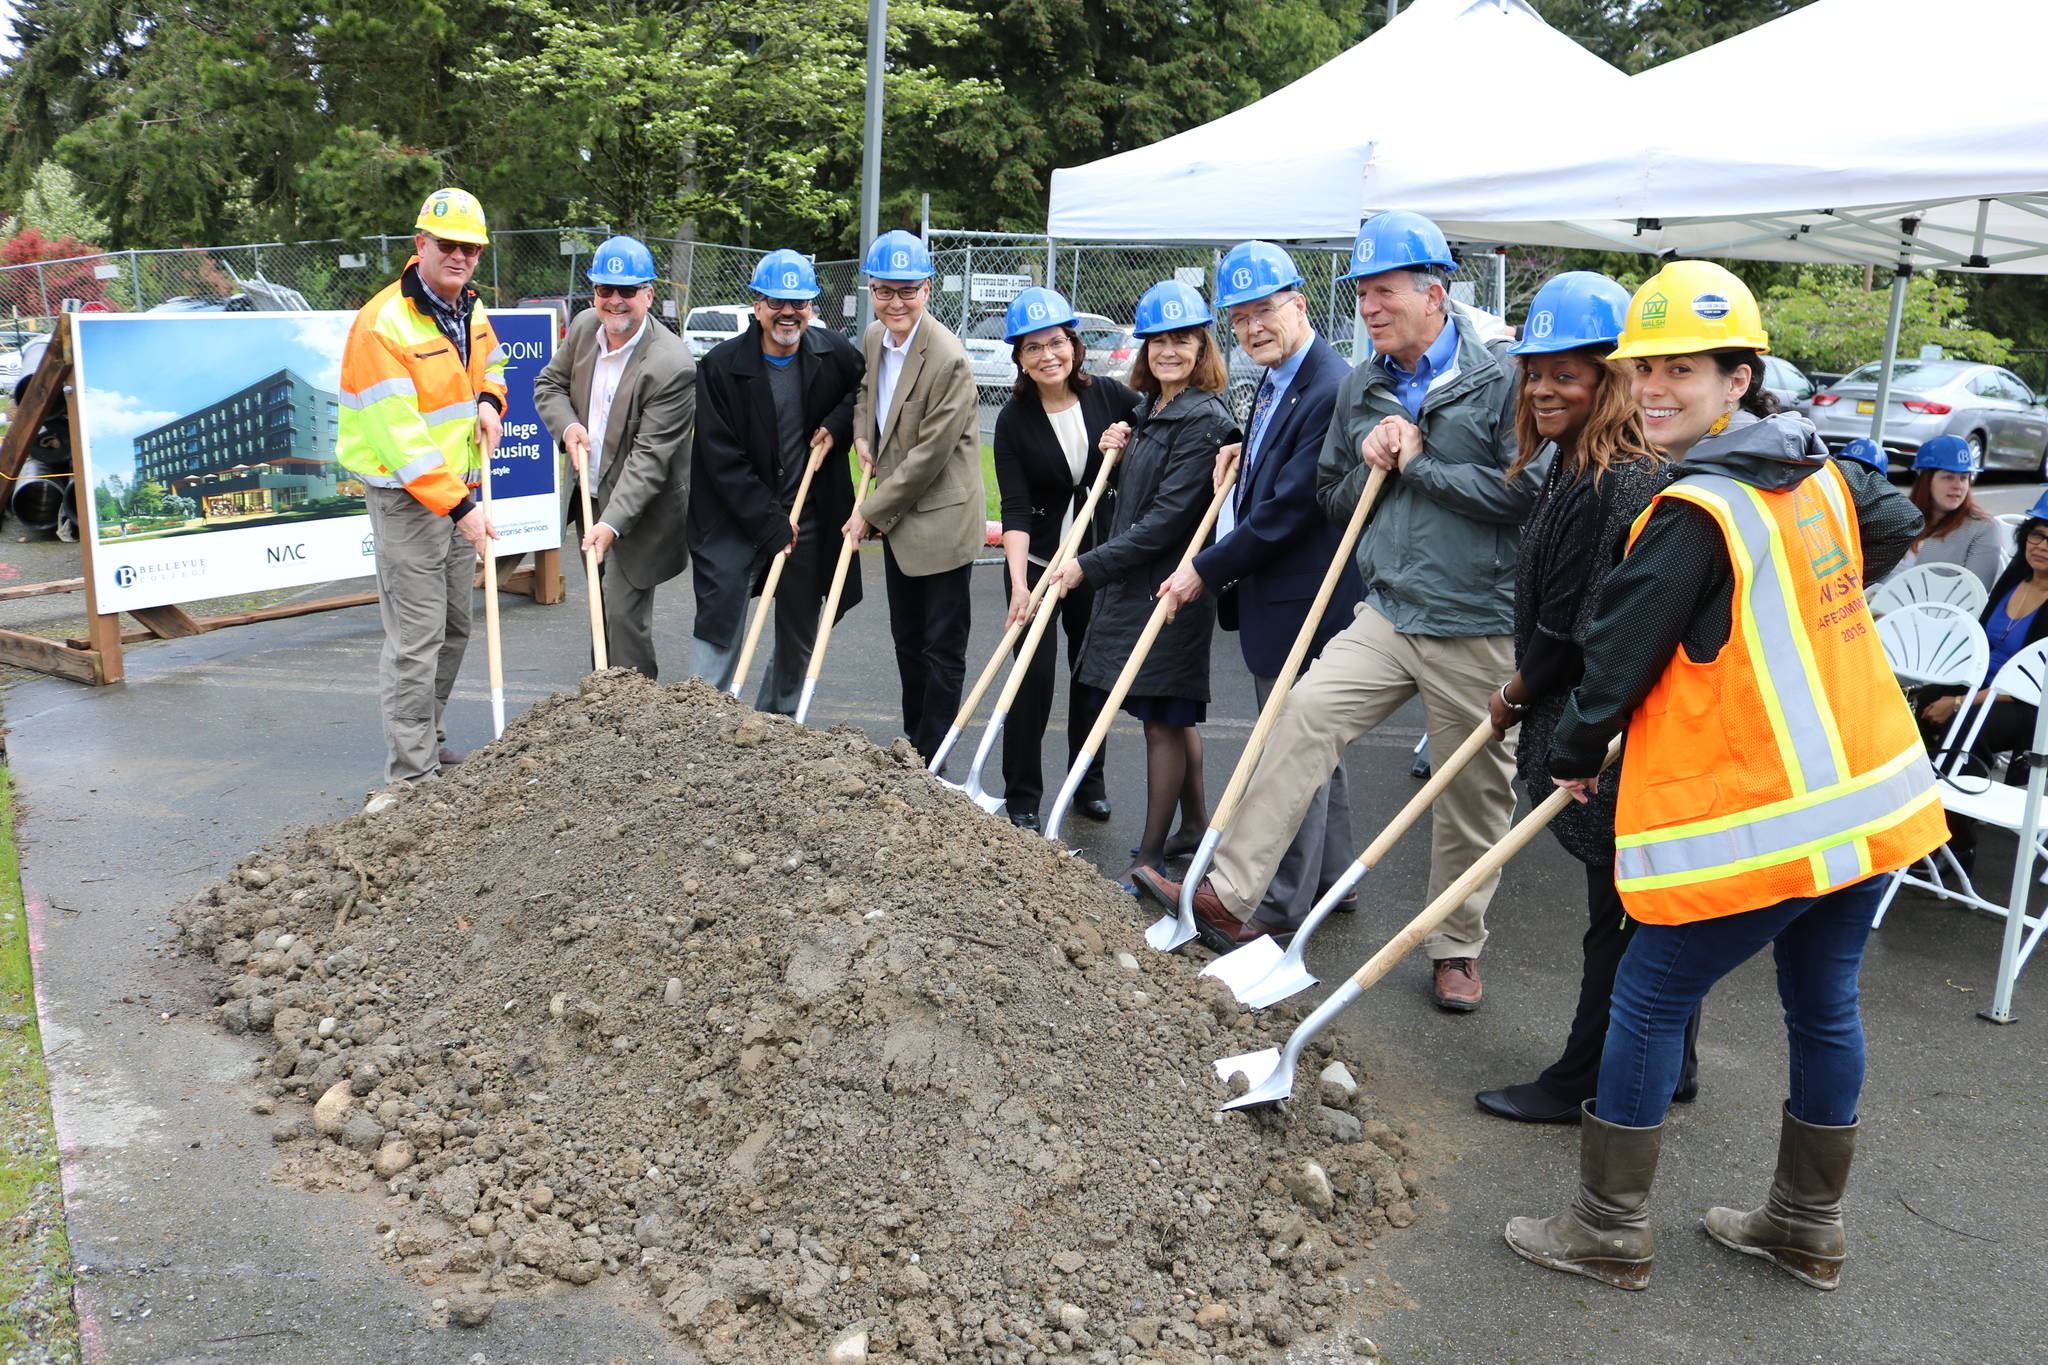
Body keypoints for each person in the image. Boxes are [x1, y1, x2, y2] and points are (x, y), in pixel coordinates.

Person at [1505, 260, 1937, 1294]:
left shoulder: (1695, 512)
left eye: (1683, 371)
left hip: (1767, 816)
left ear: (1738, 379)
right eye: (1643, 369)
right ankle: (1803, 1226)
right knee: (1823, 1002)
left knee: (1648, 998)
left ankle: (1606, 1230)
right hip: (1870, 802)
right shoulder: (1821, 475)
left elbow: (1608, 668)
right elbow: (1887, 527)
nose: (1654, 390)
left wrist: (1567, 762)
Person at [1135, 211, 1541, 1010]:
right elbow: (1331, 497)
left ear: (1434, 290)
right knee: (1303, 715)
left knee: (1472, 794)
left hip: (1479, 622)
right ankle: (1231, 894)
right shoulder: (1363, 384)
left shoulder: (1504, 383)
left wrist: (1417, 461)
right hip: (1390, 611)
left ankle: (1455, 945)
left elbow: (1519, 496)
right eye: (1362, 294)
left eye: (1384, 292)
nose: (1369, 308)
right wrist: (1369, 463)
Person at [1472, 271, 1697, 1124]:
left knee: (1619, 911)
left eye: (1568, 373)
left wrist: (1514, 695)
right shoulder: (1577, 469)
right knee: (1642, 903)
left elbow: (1580, 628)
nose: (1543, 388)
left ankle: (1580, 1079)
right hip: (1597, 716)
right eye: (1535, 372)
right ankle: (1672, 1059)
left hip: (1613, 732)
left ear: (1612, 379)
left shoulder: (1621, 480)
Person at [1152, 240, 1363, 930]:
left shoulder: (1329, 384)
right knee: (1313, 745)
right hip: (1280, 594)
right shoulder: (1278, 377)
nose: (1251, 329)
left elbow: (1291, 509)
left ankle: (1276, 904)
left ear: (1299, 304)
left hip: (1305, 597)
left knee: (1289, 752)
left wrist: (1201, 569)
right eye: (1238, 319)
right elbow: (1276, 470)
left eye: (1264, 311)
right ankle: (1332, 880)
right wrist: (1245, 461)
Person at [1052, 280, 1237, 886]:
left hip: (1172, 586)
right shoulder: (1149, 410)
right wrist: (1116, 456)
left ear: (1202, 346)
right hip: (1141, 585)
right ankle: (1194, 827)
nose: (1170, 352)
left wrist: (1089, 565)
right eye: (1158, 341)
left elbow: (1165, 523)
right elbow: (1131, 498)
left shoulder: (1203, 419)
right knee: (1172, 714)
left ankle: (1152, 854)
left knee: (1163, 714)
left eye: (1183, 340)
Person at [338, 187, 506, 789]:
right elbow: (400, 438)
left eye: (470, 248)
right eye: (448, 245)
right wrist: (462, 507)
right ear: (421, 245)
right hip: (408, 498)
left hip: (454, 490)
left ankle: (428, 742)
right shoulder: (382, 324)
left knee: (455, 627)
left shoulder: (471, 308)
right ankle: (411, 777)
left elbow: (491, 364)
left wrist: (490, 398)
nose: (459, 257)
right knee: (417, 638)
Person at [688, 249, 866, 712]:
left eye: (799, 303)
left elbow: (860, 393)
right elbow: (720, 458)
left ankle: (777, 729)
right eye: (776, 302)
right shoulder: (721, 367)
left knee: (798, 633)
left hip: (807, 517)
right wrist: (768, 521)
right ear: (757, 305)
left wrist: (839, 421)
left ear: (811, 306)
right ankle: (702, 729)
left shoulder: (835, 355)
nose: (788, 313)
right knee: (719, 629)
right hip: (735, 519)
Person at [991, 286, 1139, 829]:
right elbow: (1013, 508)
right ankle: (1022, 795)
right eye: (1033, 348)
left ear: (1074, 345)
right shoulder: (1014, 420)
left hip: (1096, 560)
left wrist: (1129, 440)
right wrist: (1018, 587)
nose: (1047, 355)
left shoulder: (1111, 397)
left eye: (1056, 342)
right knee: (1030, 676)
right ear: (1020, 360)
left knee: (1090, 673)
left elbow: (1155, 442)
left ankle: (1087, 782)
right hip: (1040, 561)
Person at [532, 234, 695, 678]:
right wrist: (568, 426)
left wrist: (610, 524)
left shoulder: (671, 365)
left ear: (648, 294)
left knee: (623, 614)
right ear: (594, 293)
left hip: (638, 511)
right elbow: (549, 385)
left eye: (628, 291)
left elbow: (650, 459)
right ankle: (604, 704)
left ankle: (638, 713)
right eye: (606, 290)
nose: (616, 301)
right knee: (602, 609)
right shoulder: (585, 328)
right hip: (590, 496)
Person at [848, 229, 984, 760]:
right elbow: (867, 392)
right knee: (907, 645)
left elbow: (928, 456)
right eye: (885, 291)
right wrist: (863, 433)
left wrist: (869, 512)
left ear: (927, 289)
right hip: (901, 522)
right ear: (872, 291)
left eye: (907, 290)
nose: (896, 302)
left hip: (942, 522)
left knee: (941, 649)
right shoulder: (873, 338)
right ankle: (913, 749)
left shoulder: (948, 358)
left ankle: (935, 758)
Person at [1914, 490, 2048, 812]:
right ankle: (1916, 805)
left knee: (1967, 724)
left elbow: (2035, 684)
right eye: (2037, 535)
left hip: (2029, 704)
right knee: (1917, 703)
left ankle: (1957, 841)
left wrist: (1959, 701)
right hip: (1979, 683)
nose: (2042, 546)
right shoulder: (2014, 579)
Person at [1884, 434, 2003, 589]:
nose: (1958, 486)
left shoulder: (1983, 527)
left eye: (1964, 477)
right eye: (1948, 477)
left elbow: (1975, 593)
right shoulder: (1899, 514)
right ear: (1926, 480)